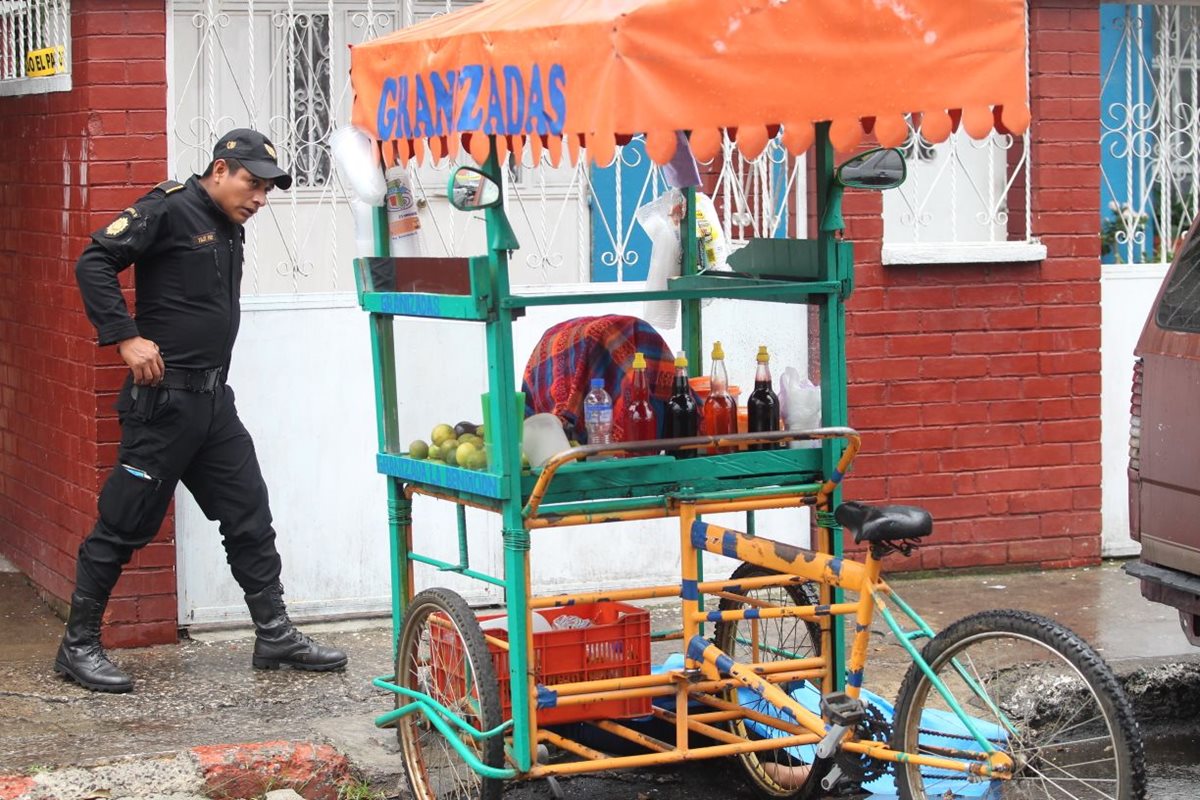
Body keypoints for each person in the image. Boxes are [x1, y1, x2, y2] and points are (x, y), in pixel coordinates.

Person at [56, 129, 347, 693]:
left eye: (267, 189)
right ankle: (78, 646)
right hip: (164, 405)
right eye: (253, 183)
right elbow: (95, 260)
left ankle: (274, 633)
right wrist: (124, 337)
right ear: (220, 169)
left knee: (249, 513)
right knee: (123, 522)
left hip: (214, 403)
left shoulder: (228, 225)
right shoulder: (166, 210)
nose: (260, 198)